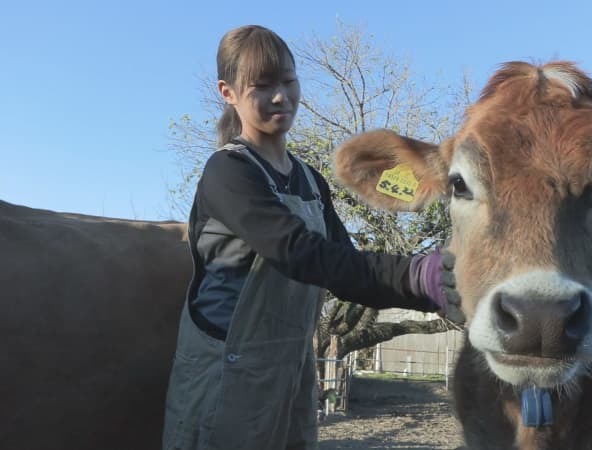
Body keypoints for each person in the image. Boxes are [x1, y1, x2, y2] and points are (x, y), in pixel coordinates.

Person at [162, 25, 461, 450]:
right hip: (226, 373)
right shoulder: (228, 172)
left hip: (291, 368)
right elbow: (297, 251)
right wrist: (417, 275)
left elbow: (342, 266)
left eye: (288, 80)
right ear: (227, 93)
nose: (281, 97)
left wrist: (432, 285)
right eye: (262, 87)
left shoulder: (309, 180)